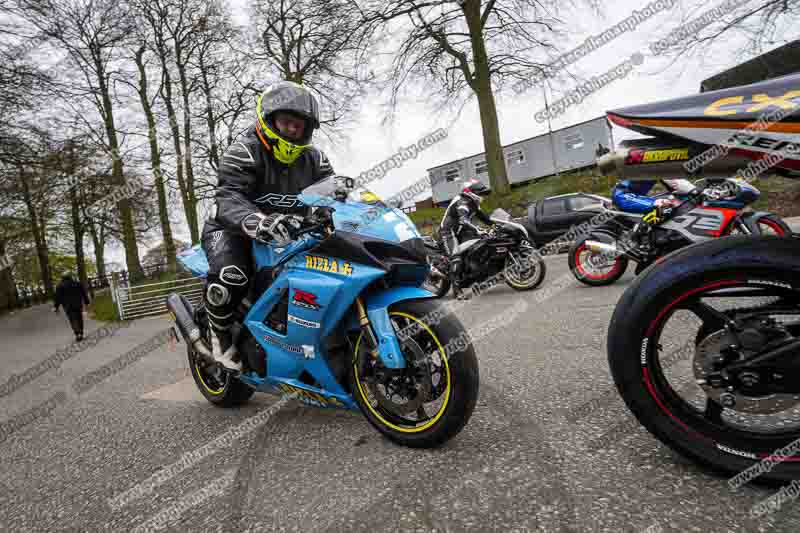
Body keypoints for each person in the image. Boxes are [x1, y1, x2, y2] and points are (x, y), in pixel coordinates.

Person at [200, 81, 335, 370]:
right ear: (268, 120)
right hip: (232, 228)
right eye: (286, 122)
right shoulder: (244, 151)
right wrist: (257, 222)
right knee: (231, 276)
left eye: (299, 126)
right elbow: (229, 196)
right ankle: (219, 335)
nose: (292, 131)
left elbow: (332, 196)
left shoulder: (315, 159)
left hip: (290, 231)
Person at [438, 178, 493, 300]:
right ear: (470, 192)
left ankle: (476, 278)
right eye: (480, 192)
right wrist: (477, 229)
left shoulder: (473, 203)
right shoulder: (462, 202)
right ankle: (456, 290)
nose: (482, 195)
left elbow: (485, 218)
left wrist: (499, 224)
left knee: (479, 246)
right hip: (448, 232)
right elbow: (463, 219)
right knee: (456, 257)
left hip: (461, 232)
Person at [53, 272, 91, 342]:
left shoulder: (59, 286)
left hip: (67, 306)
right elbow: (83, 293)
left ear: (62, 278)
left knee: (72, 319)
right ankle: (81, 333)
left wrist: (56, 306)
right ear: (70, 277)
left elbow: (57, 297)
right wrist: (87, 302)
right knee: (79, 318)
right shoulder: (77, 283)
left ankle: (77, 333)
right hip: (78, 304)